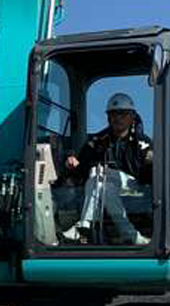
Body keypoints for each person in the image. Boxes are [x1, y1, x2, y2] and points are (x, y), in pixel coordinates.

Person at [61, 92, 153, 245]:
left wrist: (150, 163)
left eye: (122, 114)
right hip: (103, 186)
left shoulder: (143, 143)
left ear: (131, 116)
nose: (117, 118)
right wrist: (72, 165)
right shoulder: (97, 140)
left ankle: (85, 223)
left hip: (134, 189)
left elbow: (150, 175)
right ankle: (133, 237)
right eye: (113, 114)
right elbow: (81, 169)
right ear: (108, 117)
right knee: (103, 185)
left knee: (99, 173)